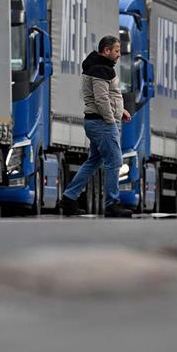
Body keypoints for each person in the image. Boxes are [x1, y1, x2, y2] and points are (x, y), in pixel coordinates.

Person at [58, 35, 132, 217]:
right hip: (102, 123)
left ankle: (69, 198)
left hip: (96, 121)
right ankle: (112, 204)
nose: (119, 54)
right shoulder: (100, 69)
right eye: (116, 51)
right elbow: (101, 98)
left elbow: (107, 96)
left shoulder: (99, 67)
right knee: (114, 162)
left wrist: (120, 111)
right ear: (106, 51)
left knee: (93, 161)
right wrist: (111, 119)